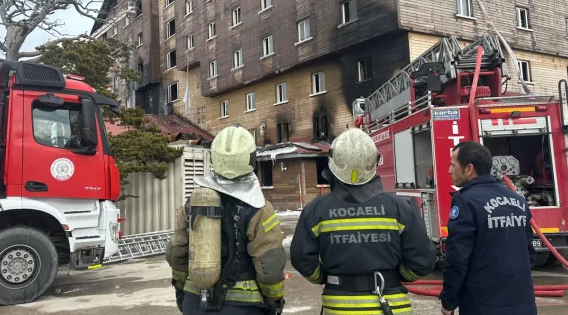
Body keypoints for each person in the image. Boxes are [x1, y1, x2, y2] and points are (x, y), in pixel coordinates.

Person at [290, 128, 436, 314]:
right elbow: (423, 261)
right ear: (374, 161)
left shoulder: (316, 209)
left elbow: (301, 258)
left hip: (339, 307)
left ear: (333, 161)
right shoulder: (399, 207)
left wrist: (325, 277)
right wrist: (393, 276)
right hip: (391, 306)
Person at [166, 124, 287, 315]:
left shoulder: (194, 202)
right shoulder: (259, 208)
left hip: (195, 302)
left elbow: (177, 253)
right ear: (251, 158)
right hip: (242, 308)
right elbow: (269, 264)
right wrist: (274, 301)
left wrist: (182, 291)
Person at [439, 141, 537, 315]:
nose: (449, 170)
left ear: (469, 169)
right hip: (523, 304)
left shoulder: (466, 201)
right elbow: (529, 253)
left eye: (452, 165)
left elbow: (457, 259)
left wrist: (449, 300)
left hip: (482, 305)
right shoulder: (518, 200)